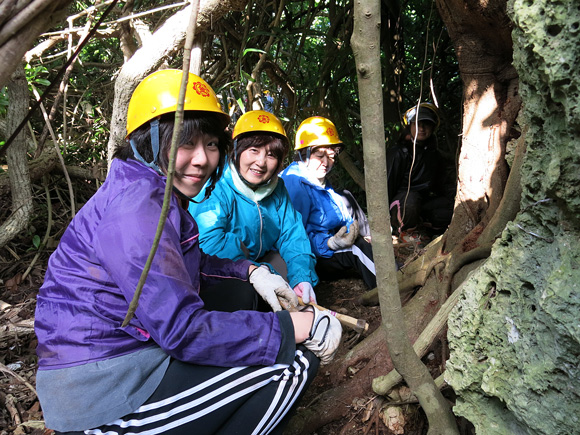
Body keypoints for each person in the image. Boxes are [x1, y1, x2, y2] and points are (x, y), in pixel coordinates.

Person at [34, 70, 342, 435]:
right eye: (186, 143)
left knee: (241, 298)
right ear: (147, 141)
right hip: (104, 388)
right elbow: (183, 330)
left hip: (118, 357)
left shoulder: (152, 191)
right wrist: (294, 328)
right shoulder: (138, 208)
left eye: (211, 144)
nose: (201, 159)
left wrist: (250, 272)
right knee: (296, 362)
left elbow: (187, 264)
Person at [189, 110, 319, 303]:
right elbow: (208, 243)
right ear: (237, 150)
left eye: (271, 154)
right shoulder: (216, 183)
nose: (261, 162)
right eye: (254, 150)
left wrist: (301, 278)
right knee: (247, 294)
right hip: (221, 271)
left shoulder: (277, 189)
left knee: (293, 280)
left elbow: (293, 234)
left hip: (262, 262)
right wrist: (255, 269)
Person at [280, 116, 377, 290]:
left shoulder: (318, 179)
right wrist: (329, 244)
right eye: (320, 156)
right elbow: (294, 238)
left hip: (328, 244)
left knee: (359, 241)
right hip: (311, 257)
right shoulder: (295, 185)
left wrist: (349, 230)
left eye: (331, 156)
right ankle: (390, 285)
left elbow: (342, 215)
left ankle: (395, 272)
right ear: (305, 153)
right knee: (357, 249)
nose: (326, 163)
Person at [386, 102, 456, 235]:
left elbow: (444, 184)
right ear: (410, 126)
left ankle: (425, 227)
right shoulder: (399, 153)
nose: (422, 128)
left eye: (426, 124)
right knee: (410, 200)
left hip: (422, 203)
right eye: (417, 124)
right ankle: (407, 233)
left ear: (433, 128)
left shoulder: (433, 155)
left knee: (454, 204)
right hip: (401, 204)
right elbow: (387, 186)